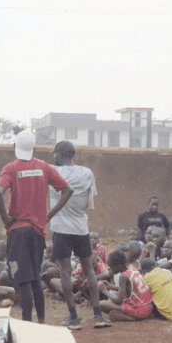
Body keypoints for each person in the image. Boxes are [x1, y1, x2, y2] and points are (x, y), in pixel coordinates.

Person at [0, 129, 73, 324]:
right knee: (35, 278)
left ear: (15, 147)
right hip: (38, 232)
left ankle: (27, 323)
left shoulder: (11, 168)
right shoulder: (44, 167)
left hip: (17, 231)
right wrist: (48, 216)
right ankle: (42, 322)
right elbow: (67, 190)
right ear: (35, 148)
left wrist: (5, 219)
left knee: (23, 280)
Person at [46, 140, 108, 329]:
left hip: (61, 228)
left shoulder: (52, 171)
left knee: (65, 272)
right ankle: (97, 316)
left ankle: (73, 318)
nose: (53, 157)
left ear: (62, 154)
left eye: (55, 153)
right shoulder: (87, 173)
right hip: (81, 228)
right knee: (89, 269)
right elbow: (91, 201)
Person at [98, 249, 152, 322]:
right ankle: (123, 315)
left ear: (118, 265)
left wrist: (104, 290)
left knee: (101, 304)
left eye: (111, 267)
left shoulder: (123, 276)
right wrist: (110, 287)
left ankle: (131, 318)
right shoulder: (133, 269)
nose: (110, 270)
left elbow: (118, 301)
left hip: (140, 310)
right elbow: (129, 289)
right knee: (111, 310)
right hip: (148, 308)